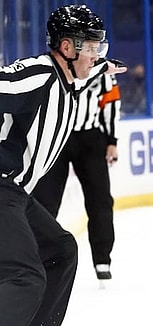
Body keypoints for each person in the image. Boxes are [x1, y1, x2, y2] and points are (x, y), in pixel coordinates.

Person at [0, 4, 125, 326]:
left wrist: (102, 68)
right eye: (91, 45)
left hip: (15, 191)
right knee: (24, 275)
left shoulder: (69, 78)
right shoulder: (37, 73)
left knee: (60, 248)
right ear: (67, 46)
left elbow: (83, 80)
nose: (98, 52)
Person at [32, 71, 121, 282]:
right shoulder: (56, 67)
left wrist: (112, 140)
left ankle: (102, 260)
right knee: (44, 202)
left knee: (100, 201)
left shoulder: (102, 71)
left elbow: (111, 104)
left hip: (91, 139)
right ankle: (36, 256)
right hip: (57, 138)